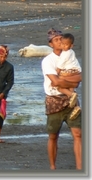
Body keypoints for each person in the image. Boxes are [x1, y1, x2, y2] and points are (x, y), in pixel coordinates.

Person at [41, 28, 82, 170]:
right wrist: (68, 80)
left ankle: (80, 168)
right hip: (54, 100)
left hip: (71, 99)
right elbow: (55, 82)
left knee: (78, 134)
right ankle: (53, 167)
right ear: (51, 44)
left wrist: (64, 79)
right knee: (53, 136)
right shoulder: (48, 61)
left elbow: (79, 78)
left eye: (61, 39)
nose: (59, 41)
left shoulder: (71, 56)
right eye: (56, 40)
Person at [55, 33, 82, 115]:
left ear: (71, 46)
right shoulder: (71, 52)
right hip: (76, 71)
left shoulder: (65, 54)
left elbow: (60, 66)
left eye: (66, 45)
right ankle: (76, 106)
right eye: (62, 44)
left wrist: (57, 74)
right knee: (70, 87)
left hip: (70, 72)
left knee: (59, 87)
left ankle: (72, 95)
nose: (63, 46)